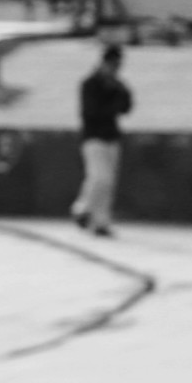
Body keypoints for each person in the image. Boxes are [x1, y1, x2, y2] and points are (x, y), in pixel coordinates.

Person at [71, 42, 133, 237]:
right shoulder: (90, 84)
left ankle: (100, 222)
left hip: (111, 137)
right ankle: (82, 209)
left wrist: (119, 89)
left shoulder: (116, 84)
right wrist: (111, 98)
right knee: (100, 178)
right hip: (93, 137)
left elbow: (127, 107)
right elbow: (91, 111)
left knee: (107, 182)